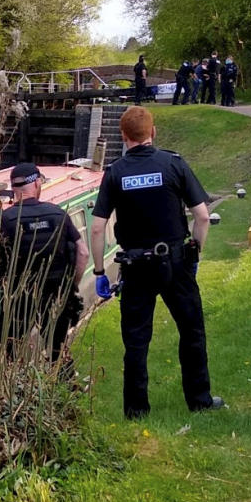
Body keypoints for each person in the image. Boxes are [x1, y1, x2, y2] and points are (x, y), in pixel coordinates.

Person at [88, 107, 224, 419]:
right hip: (176, 262)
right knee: (191, 331)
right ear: (154, 132)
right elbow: (202, 216)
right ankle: (200, 400)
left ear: (123, 136)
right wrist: (195, 253)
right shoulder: (173, 164)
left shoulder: (115, 173)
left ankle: (136, 410)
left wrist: (99, 272)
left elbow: (97, 227)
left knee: (136, 340)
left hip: (136, 268)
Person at [0, 162, 89, 367]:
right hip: (55, 296)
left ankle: (7, 391)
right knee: (57, 351)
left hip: (19, 299)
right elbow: (83, 254)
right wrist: (71, 288)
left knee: (1, 351)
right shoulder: (59, 215)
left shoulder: (4, 221)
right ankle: (64, 388)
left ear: (13, 189)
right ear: (38, 183)